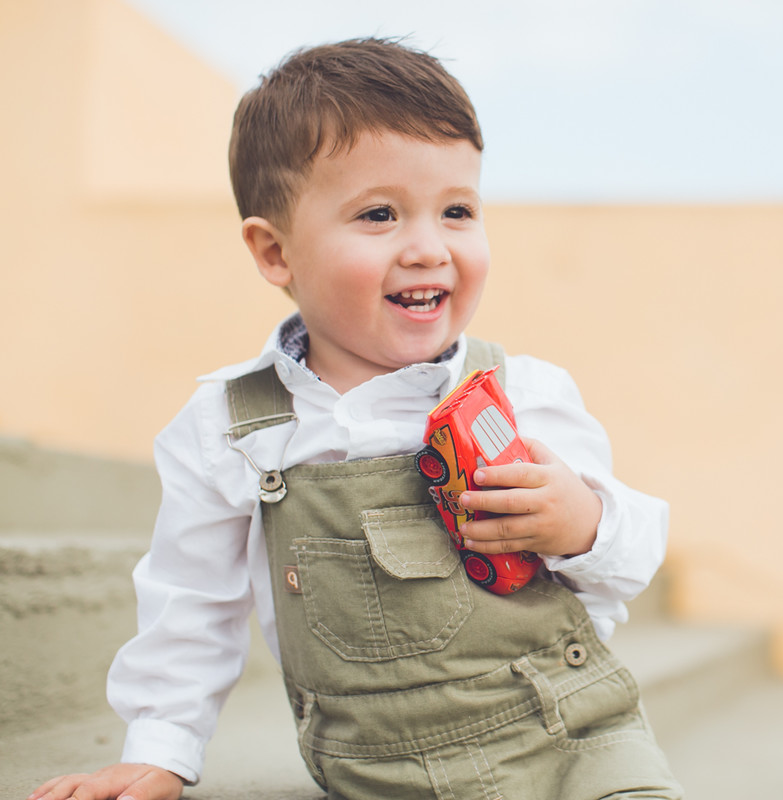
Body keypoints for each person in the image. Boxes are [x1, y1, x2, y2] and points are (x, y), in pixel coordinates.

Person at [30, 37, 681, 800]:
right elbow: (191, 602)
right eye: (380, 214)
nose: (429, 248)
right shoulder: (236, 427)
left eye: (458, 211)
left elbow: (637, 549)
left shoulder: (521, 391)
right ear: (275, 253)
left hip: (572, 738)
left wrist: (583, 522)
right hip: (378, 773)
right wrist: (160, 750)